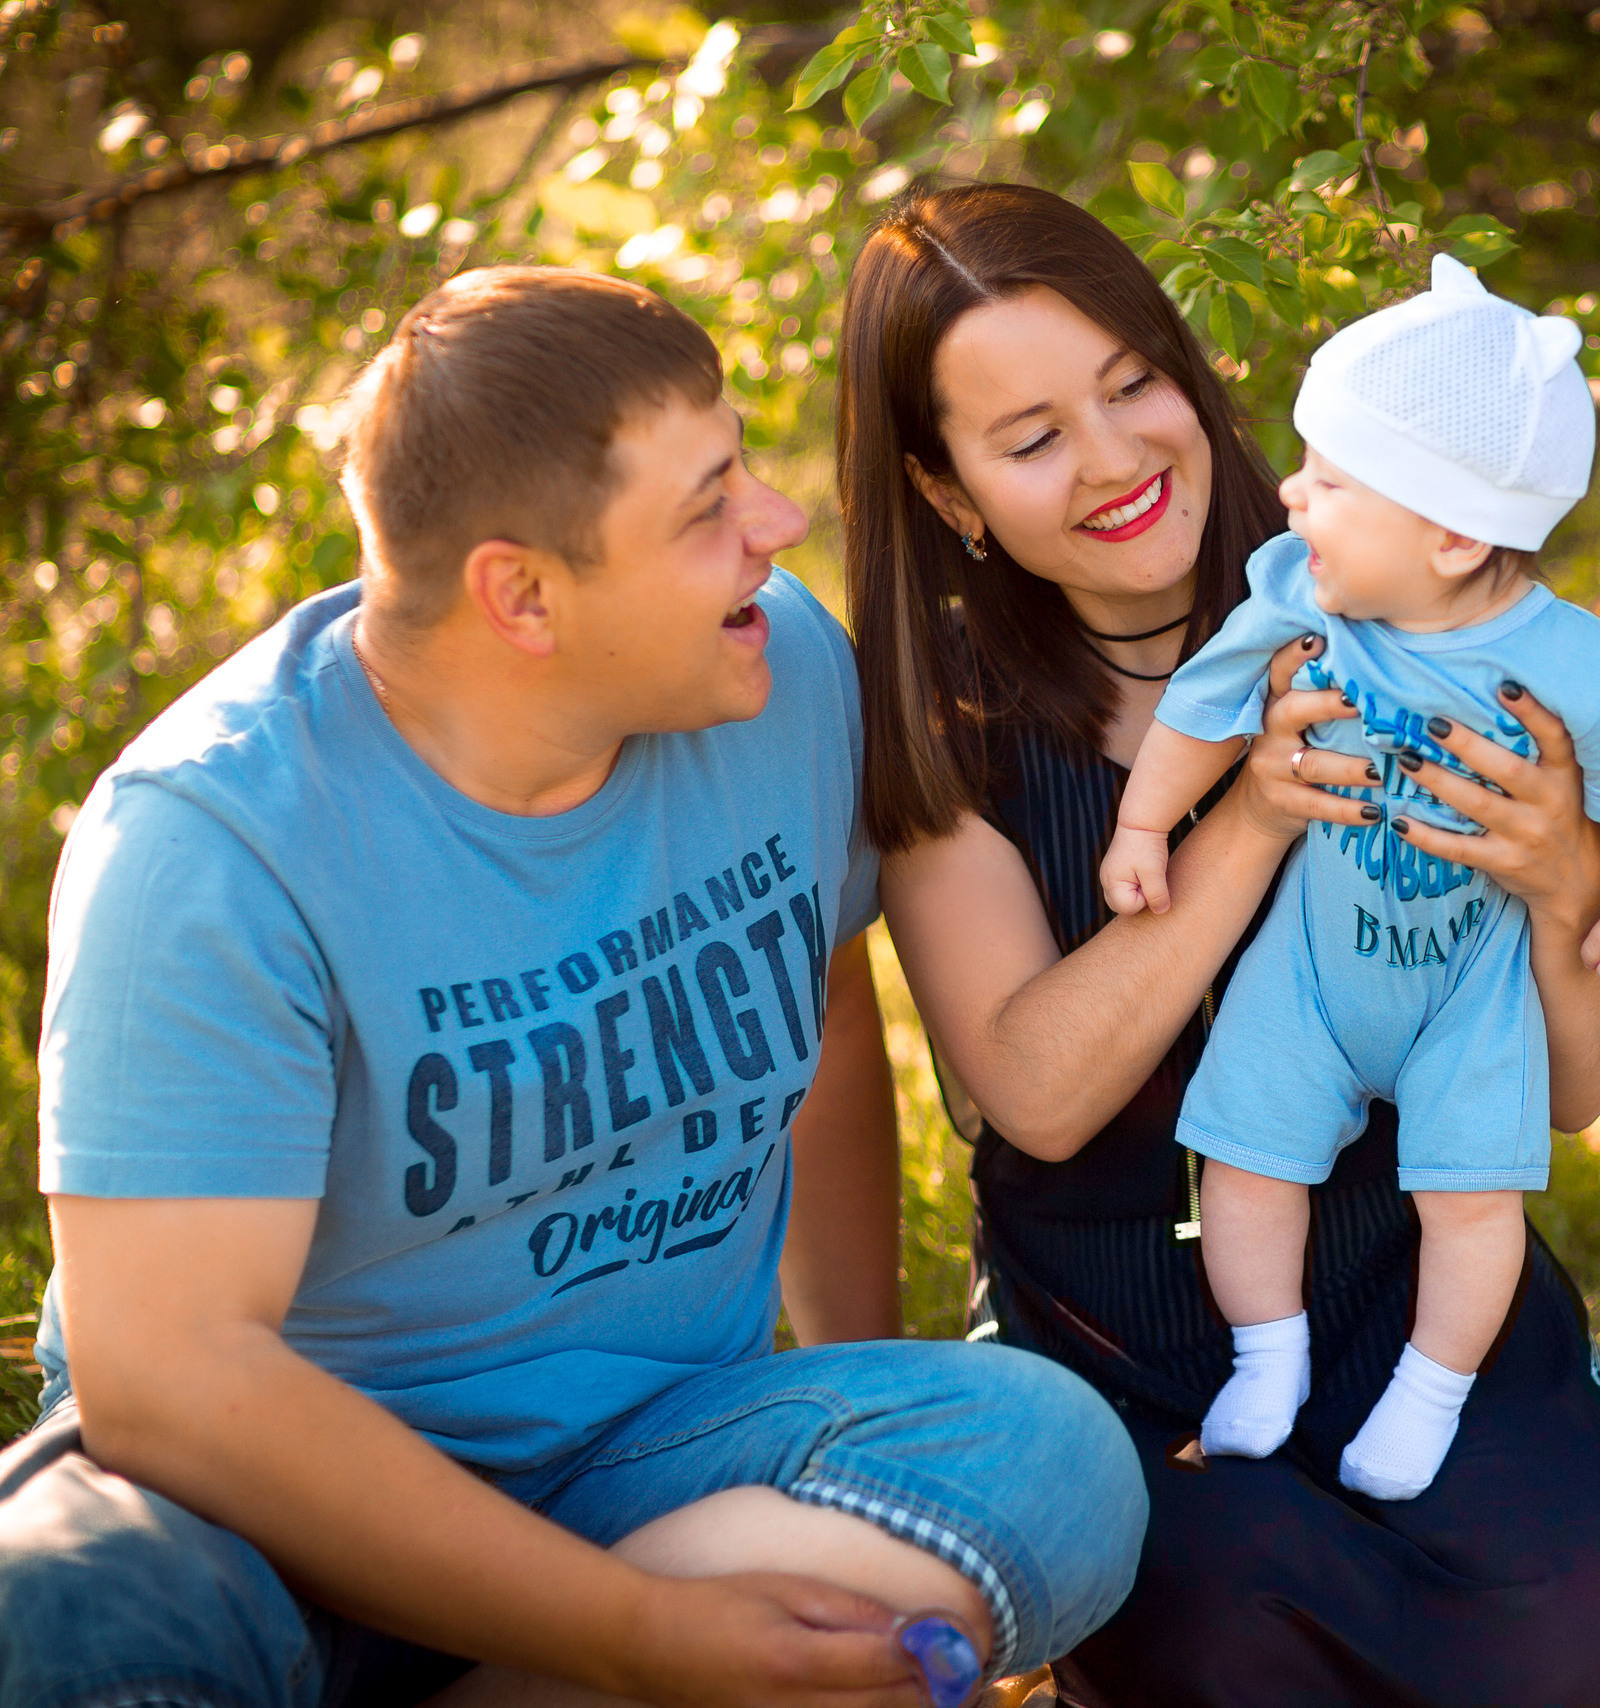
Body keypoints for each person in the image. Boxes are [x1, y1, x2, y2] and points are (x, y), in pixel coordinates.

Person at [842, 180, 1600, 1708]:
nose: (1116, 460)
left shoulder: (1424, 619)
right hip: (1128, 1336)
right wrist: (1246, 817)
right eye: (1033, 439)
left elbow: (1573, 1095)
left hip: (1411, 1280)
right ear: (953, 493)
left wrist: (1569, 883)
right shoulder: (945, 729)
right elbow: (1035, 1095)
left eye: (1133, 385)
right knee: (1248, 1668)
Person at [0, 265, 1144, 1708]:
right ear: (522, 595)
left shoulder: (776, 671)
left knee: (1048, 1461)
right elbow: (170, 1384)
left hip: (652, 1468)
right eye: (708, 506)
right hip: (261, 1514)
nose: (778, 530)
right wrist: (634, 1637)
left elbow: (825, 1005)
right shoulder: (210, 843)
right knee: (56, 1614)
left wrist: (846, 1389)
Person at [1096, 255, 1600, 1501]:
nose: (1288, 491)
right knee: (1245, 1161)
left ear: (1453, 532)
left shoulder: (1567, 661)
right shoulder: (1297, 598)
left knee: (1471, 1206)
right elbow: (1208, 704)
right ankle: (1268, 1358)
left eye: (1329, 479)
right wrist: (1145, 825)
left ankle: (1428, 1393)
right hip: (1311, 968)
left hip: (1469, 987)